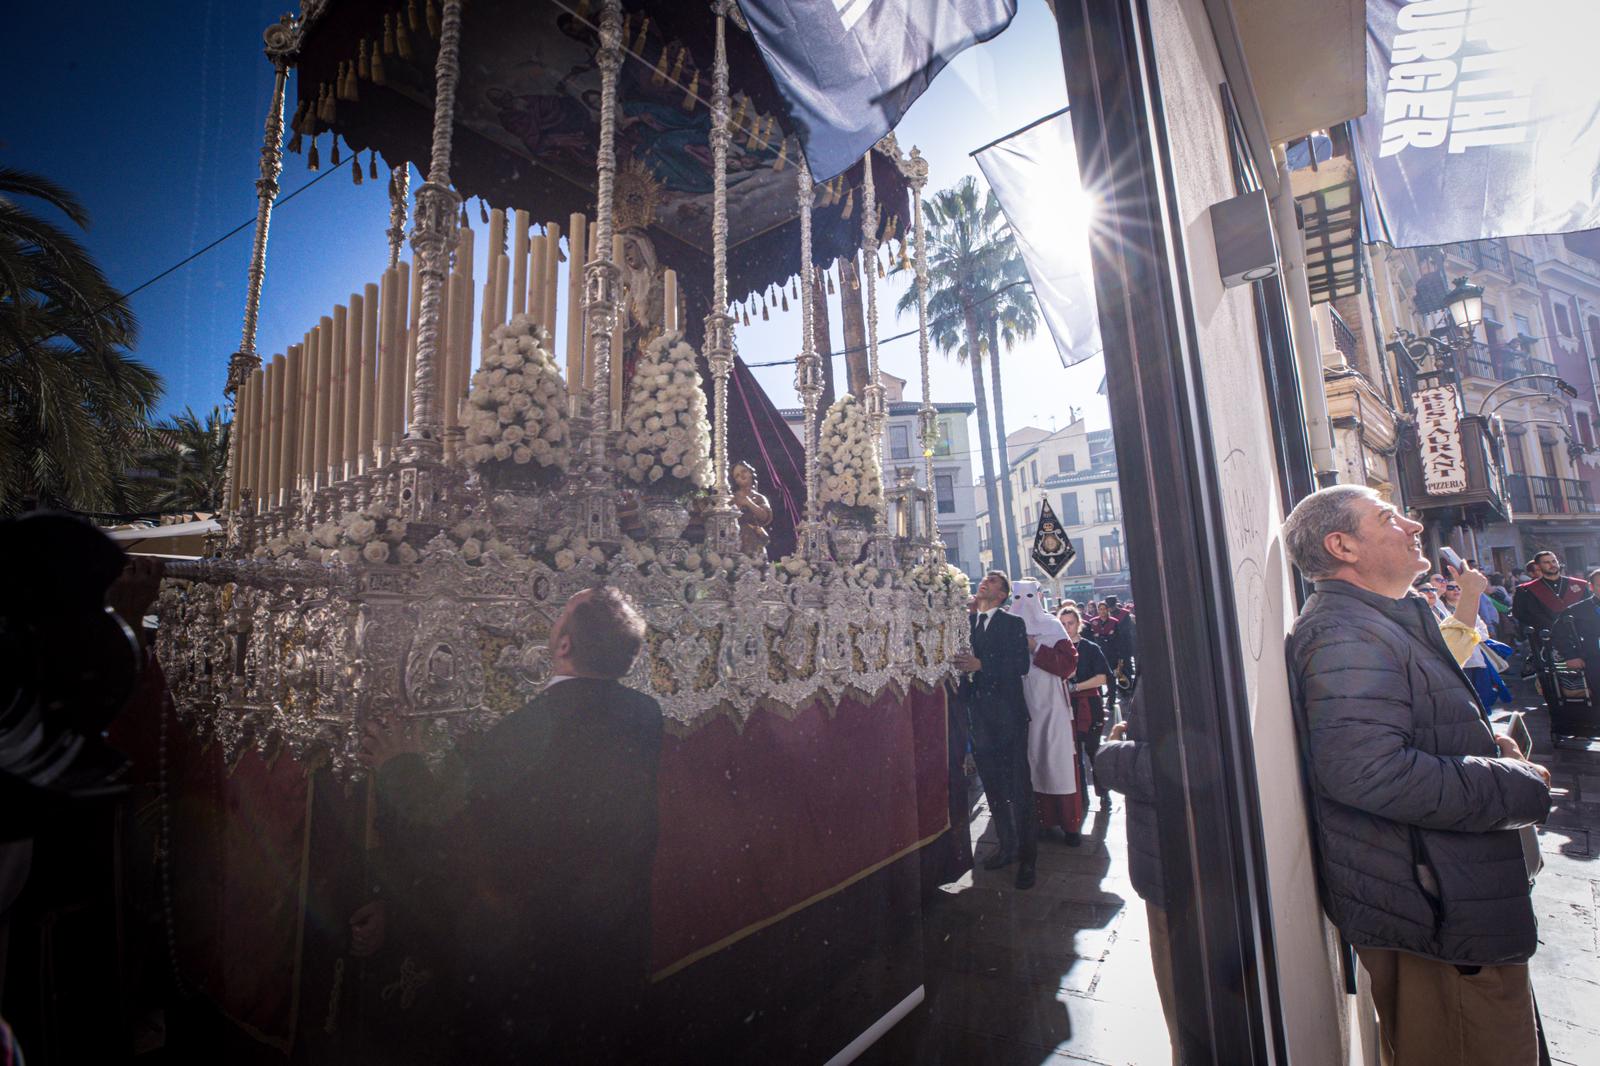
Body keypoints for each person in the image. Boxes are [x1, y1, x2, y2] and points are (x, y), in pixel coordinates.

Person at [1282, 485, 1552, 1066]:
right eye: (1388, 517)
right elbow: (1367, 771)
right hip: (1438, 912)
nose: (1412, 525)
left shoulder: (1379, 620)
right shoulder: (1345, 633)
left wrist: (1486, 747)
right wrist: (1515, 782)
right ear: (1342, 546)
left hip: (1451, 903)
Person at [360, 587, 663, 1063]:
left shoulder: (527, 729)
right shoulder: (646, 714)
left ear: (563, 646)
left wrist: (400, 768)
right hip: (613, 944)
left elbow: (452, 832)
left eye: (561, 614)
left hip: (537, 957)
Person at [1092, 691, 1177, 1062]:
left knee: (1169, 938)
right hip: (1165, 844)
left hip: (1170, 842)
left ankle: (1182, 1047)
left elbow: (1181, 761)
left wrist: (1111, 754)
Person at [951, 571, 1037, 890]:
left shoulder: (1012, 624)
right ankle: (1007, 847)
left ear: (1002, 595)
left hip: (1010, 719)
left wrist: (982, 665)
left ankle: (1029, 859)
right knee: (994, 790)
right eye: (984, 579)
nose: (984, 583)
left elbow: (1021, 665)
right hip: (981, 720)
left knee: (1019, 789)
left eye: (992, 582)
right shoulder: (967, 625)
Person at [1006, 580, 1081, 845]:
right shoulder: (1006, 627)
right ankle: (1044, 822)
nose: (1024, 602)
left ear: (1038, 596)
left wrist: (1036, 648)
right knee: (1033, 764)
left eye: (1029, 595)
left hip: (1052, 706)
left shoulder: (1052, 626)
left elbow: (1068, 665)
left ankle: (1070, 825)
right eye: (1017, 596)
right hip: (1023, 705)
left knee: (1057, 763)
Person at [1512, 551, 1589, 697]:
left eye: (1553, 561)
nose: (1552, 565)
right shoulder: (1526, 590)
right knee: (1557, 682)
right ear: (1538, 566)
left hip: (1579, 637)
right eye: (1546, 562)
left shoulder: (1579, 585)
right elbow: (1520, 613)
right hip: (1547, 639)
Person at [1059, 605, 1112, 809]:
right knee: (1073, 756)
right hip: (1065, 706)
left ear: (1078, 624)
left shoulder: (1090, 648)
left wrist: (1076, 686)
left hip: (1089, 705)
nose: (1067, 627)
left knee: (1093, 751)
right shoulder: (1058, 648)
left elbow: (1102, 677)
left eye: (1070, 623)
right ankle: (1081, 797)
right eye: (1063, 624)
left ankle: (1104, 794)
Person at [1441, 576, 1513, 710]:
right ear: (1445, 592)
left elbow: (1483, 633)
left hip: (1476, 660)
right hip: (1457, 662)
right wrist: (1469, 633)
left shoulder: (1471, 609)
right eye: (1451, 587)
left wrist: (1465, 634)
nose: (1455, 590)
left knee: (1483, 698)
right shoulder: (1442, 611)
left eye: (1458, 587)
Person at [1548, 567, 1600, 738]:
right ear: (1591, 587)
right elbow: (1559, 635)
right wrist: (1571, 655)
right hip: (1594, 659)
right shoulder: (1577, 610)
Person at [730, 459, 773, 559]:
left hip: (755, 540)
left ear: (750, 473)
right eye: (737, 475)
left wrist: (749, 503)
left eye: (744, 471)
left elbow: (765, 516)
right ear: (735, 481)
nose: (741, 475)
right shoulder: (732, 498)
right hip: (736, 539)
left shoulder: (759, 497)